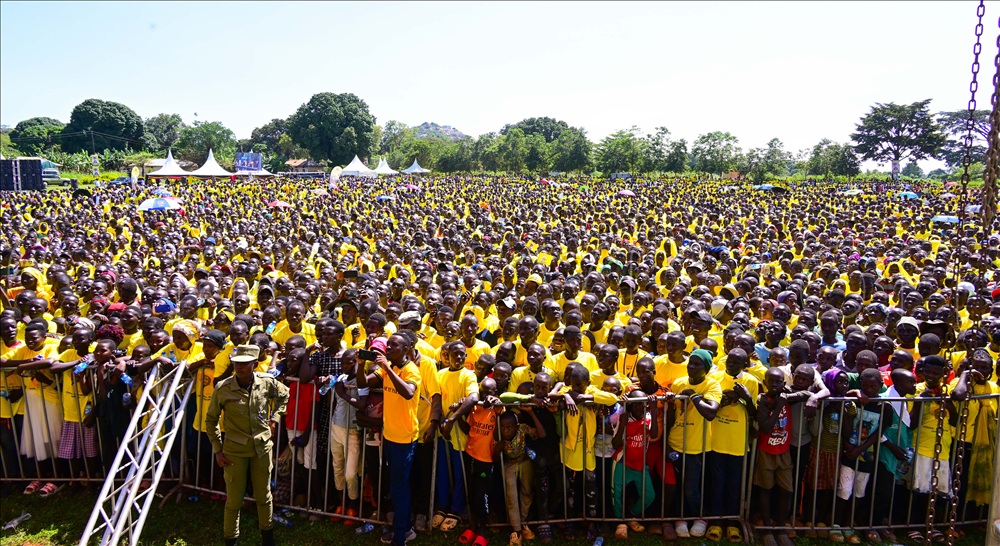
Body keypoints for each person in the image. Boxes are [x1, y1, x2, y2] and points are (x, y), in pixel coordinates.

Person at [206, 344, 289, 546]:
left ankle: (267, 538)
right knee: (234, 500)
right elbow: (211, 420)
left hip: (262, 449)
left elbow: (284, 395)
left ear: (254, 364)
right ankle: (231, 540)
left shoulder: (267, 382)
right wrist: (217, 449)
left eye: (244, 364)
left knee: (264, 496)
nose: (239, 367)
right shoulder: (223, 388)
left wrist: (275, 418)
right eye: (236, 363)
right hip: (234, 451)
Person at [356, 333, 422, 546]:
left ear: (406, 349)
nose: (389, 348)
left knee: (399, 487)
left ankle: (401, 535)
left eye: (394, 345)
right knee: (395, 486)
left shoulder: (411, 370)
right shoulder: (387, 368)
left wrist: (387, 369)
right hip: (389, 435)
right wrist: (360, 365)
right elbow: (364, 382)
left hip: (405, 438)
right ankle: (404, 528)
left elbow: (408, 393)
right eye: (388, 345)